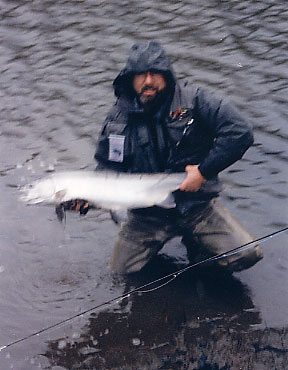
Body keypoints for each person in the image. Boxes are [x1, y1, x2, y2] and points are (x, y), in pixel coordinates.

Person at [93, 40, 263, 274]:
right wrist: (85, 199)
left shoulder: (195, 100)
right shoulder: (117, 119)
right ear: (130, 78)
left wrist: (203, 172)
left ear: (167, 75)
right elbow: (107, 167)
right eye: (141, 75)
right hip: (147, 215)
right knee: (120, 271)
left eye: (155, 74)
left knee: (247, 254)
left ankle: (198, 247)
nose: (149, 81)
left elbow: (240, 132)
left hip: (196, 206)